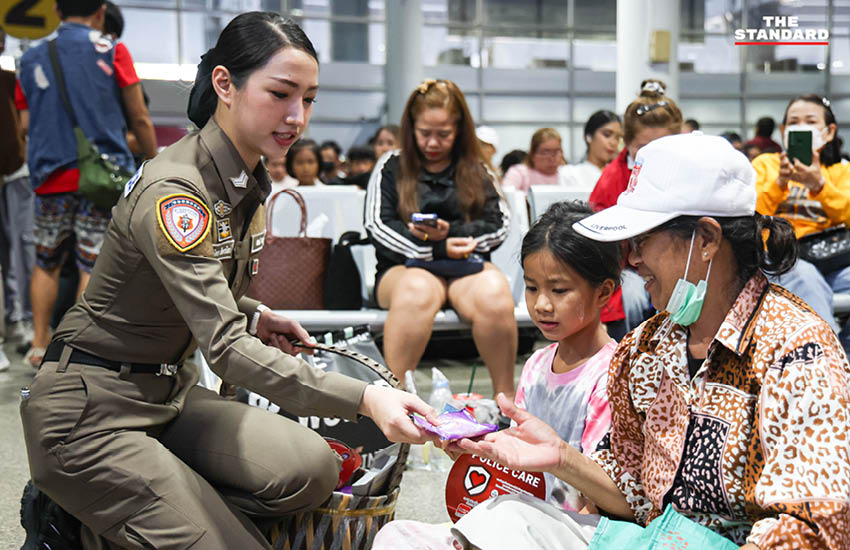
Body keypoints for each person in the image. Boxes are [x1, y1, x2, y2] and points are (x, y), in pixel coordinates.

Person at [19, 12, 439, 550]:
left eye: (308, 99)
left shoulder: (243, 181)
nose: (296, 117)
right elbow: (225, 349)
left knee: (311, 470)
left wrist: (254, 313)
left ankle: (144, 507)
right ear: (225, 84)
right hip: (89, 413)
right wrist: (367, 398)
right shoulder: (177, 193)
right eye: (281, 93)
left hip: (165, 396)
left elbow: (194, 291)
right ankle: (76, 520)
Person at [450, 133, 850, 549]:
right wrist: (562, 457)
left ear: (708, 240)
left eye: (642, 241)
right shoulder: (645, 348)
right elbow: (633, 496)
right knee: (497, 522)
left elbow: (816, 526)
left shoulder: (797, 351)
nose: (632, 260)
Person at [16, 0, 157, 369]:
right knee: (90, 264)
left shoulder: (30, 58)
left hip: (49, 176)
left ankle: (38, 342)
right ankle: (76, 345)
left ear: (58, 12)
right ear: (99, 12)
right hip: (102, 177)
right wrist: (154, 158)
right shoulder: (113, 50)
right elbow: (139, 116)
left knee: (46, 262)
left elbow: (25, 124)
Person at [364, 78, 516, 398]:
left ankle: (507, 403)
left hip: (466, 269)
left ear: (459, 130)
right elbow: (378, 226)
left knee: (496, 293)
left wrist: (457, 240)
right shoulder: (390, 165)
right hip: (403, 271)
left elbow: (499, 224)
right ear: (411, 127)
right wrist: (434, 248)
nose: (433, 142)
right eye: (424, 133)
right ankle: (395, 402)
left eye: (443, 134)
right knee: (417, 290)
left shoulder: (477, 168)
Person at [515, 201, 619, 513]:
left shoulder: (612, 374)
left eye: (559, 290)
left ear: (603, 292)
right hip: (523, 511)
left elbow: (599, 495)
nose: (542, 304)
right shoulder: (536, 365)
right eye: (532, 288)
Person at [753, 94, 850, 350]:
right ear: (784, 131)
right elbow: (749, 214)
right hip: (784, 258)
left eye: (810, 121)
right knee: (804, 277)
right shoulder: (766, 165)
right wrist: (780, 184)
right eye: (794, 122)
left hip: (835, 259)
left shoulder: (841, 171)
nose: (802, 127)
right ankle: (828, 366)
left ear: (828, 132)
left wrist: (819, 185)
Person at [588, 79, 682, 339]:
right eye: (643, 147)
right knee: (628, 296)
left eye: (663, 146)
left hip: (679, 264)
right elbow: (603, 244)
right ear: (627, 143)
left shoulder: (687, 173)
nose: (653, 155)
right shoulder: (611, 179)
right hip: (626, 268)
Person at [0, 24, 33, 367]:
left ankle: (18, 321)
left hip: (14, 172)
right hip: (14, 170)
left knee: (20, 249)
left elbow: (21, 125)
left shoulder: (10, 79)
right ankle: (16, 323)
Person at [559, 110, 621, 190]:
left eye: (618, 138)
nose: (613, 142)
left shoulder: (620, 174)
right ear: (589, 137)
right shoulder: (570, 174)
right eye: (607, 135)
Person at [501, 128, 564, 194]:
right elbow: (507, 196)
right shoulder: (519, 173)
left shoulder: (568, 175)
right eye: (545, 152)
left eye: (556, 152)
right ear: (533, 154)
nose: (551, 158)